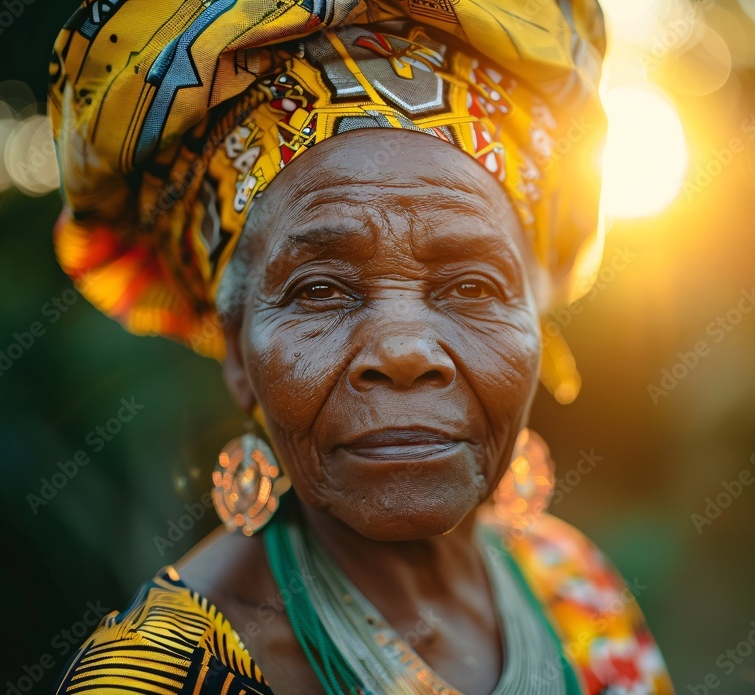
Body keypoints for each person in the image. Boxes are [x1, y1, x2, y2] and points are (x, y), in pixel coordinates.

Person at [49, 1, 675, 693]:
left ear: (536, 317)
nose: (405, 350)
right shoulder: (162, 675)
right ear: (235, 351)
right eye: (319, 290)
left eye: (471, 286)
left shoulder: (573, 582)